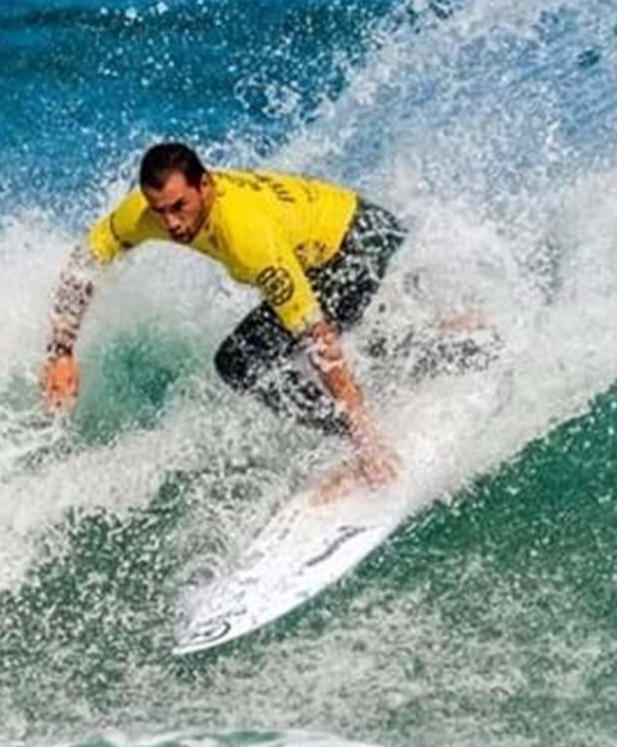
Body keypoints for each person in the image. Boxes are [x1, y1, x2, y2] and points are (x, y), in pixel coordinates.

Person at [40, 141, 405, 487]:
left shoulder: (247, 237)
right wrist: (61, 351)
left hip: (359, 244)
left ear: (205, 185)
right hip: (335, 236)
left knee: (244, 361)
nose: (171, 224)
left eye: (180, 206)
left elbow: (318, 338)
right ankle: (424, 343)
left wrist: (367, 442)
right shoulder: (145, 211)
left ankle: (365, 442)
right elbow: (85, 263)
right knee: (274, 349)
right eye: (160, 211)